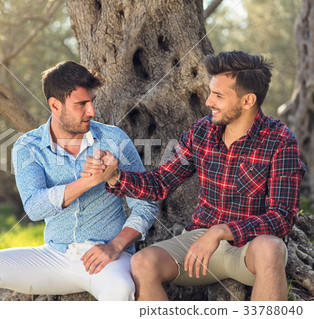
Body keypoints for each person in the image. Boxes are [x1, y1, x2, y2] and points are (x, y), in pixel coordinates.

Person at [84, 51, 306, 301]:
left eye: (218, 95)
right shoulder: (202, 131)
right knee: (143, 262)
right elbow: (159, 184)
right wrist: (114, 177)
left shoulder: (280, 140)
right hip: (199, 244)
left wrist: (221, 231)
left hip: (250, 248)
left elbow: (282, 217)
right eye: (211, 92)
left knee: (271, 247)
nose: (209, 101)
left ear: (248, 101)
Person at [0, 61, 158, 301]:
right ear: (55, 105)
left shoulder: (114, 138)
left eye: (92, 101)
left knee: (120, 288)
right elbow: (34, 207)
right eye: (82, 104)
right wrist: (89, 181)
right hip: (54, 256)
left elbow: (146, 204)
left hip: (107, 257)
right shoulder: (28, 146)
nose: (92, 111)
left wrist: (115, 246)